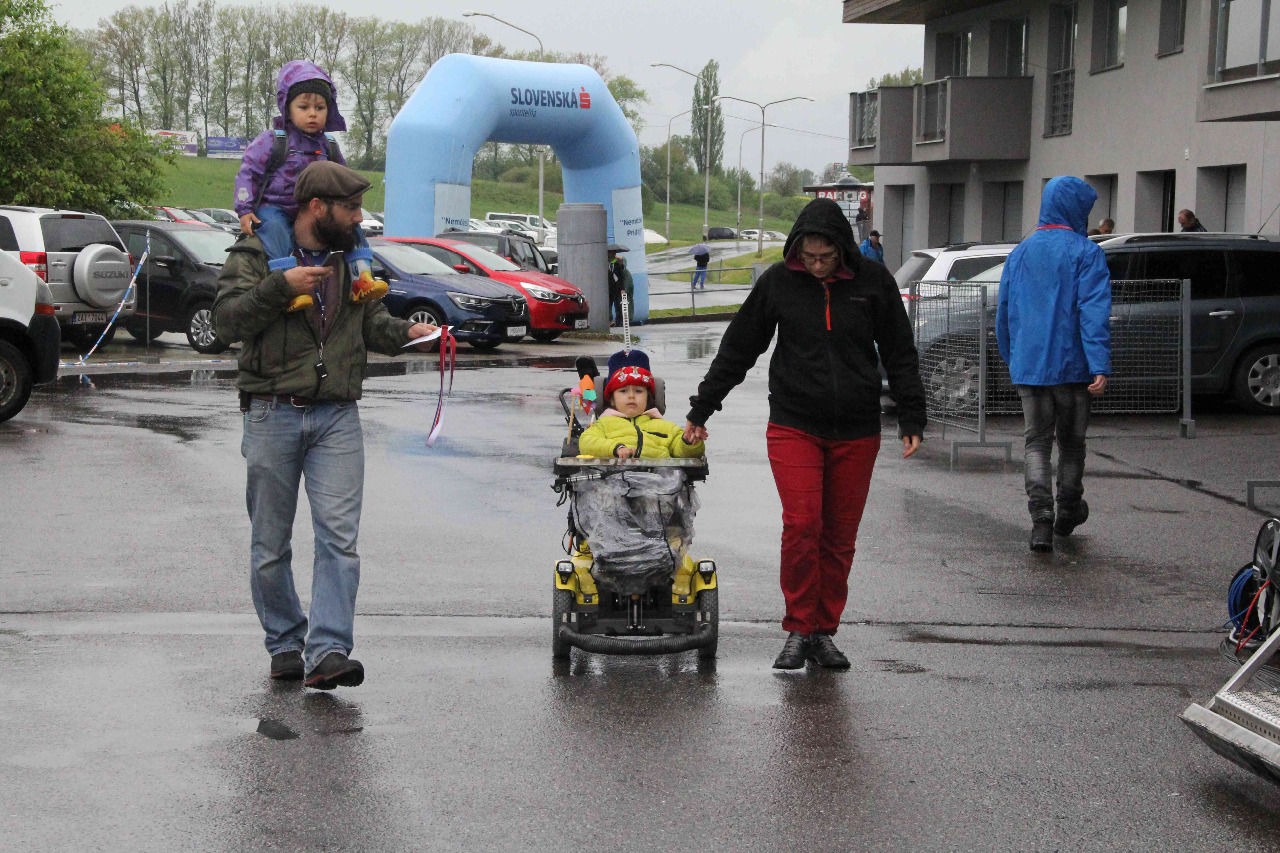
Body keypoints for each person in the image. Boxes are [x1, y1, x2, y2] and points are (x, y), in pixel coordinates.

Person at [213, 161, 439, 689]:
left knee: (339, 539)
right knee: (270, 545)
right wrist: (279, 286)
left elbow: (370, 325)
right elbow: (225, 323)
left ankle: (329, 651)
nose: (360, 217)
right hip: (271, 411)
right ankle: (285, 642)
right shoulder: (255, 253)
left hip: (337, 414)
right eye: (351, 208)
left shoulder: (353, 259)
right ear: (317, 208)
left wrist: (408, 332)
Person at [683, 198, 926, 671]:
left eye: (826, 257)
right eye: (809, 257)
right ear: (797, 249)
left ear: (842, 250)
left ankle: (823, 632)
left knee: (839, 536)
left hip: (857, 428)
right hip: (794, 423)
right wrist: (703, 407)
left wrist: (912, 415)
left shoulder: (873, 282)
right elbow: (740, 347)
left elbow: (900, 350)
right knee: (802, 524)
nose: (816, 266)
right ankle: (798, 628)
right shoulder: (779, 282)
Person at [996, 176, 1111, 554]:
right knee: (1072, 445)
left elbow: (1004, 312)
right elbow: (1092, 312)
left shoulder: (1020, 253)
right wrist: (1099, 364)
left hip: (1031, 366)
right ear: (1076, 209)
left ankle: (1041, 520)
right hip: (1073, 367)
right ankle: (1068, 510)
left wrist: (1014, 358)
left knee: (1036, 443)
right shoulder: (1086, 252)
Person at [233, 60, 385, 310]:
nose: (312, 113)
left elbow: (344, 180)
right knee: (276, 233)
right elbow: (249, 173)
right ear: (287, 108)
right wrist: (244, 208)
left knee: (353, 229)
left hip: (317, 212)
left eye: (320, 107)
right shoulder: (272, 141)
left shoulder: (330, 145)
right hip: (277, 207)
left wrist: (349, 207)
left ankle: (362, 279)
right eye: (303, 107)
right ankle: (289, 287)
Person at [579, 350, 705, 459]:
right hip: (615, 475)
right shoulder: (603, 425)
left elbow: (681, 452)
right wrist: (616, 448)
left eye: (638, 391)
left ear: (648, 398)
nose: (631, 396)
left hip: (659, 477)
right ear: (612, 400)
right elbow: (586, 443)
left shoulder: (666, 427)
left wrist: (689, 442)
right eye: (623, 391)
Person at [607, 244, 631, 326]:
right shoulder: (605, 264)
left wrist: (622, 289)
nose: (613, 254)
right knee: (608, 306)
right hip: (608, 288)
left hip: (616, 288)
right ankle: (609, 321)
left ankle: (619, 322)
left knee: (618, 305)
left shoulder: (617, 264)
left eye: (614, 252)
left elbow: (621, 277)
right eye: (611, 252)